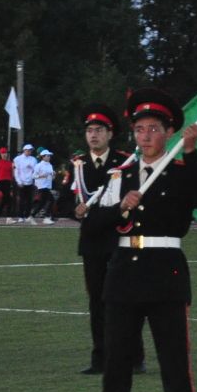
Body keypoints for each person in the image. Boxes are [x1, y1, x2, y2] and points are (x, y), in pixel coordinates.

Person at [70, 88, 197, 392]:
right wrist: (120, 206)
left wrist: (191, 152)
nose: (145, 136)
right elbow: (92, 223)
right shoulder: (120, 175)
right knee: (116, 368)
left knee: (175, 368)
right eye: (139, 129)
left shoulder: (182, 169)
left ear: (169, 132)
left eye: (154, 129)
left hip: (166, 272)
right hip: (123, 274)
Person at [69, 104, 144, 377]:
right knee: (97, 303)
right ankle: (100, 358)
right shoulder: (77, 164)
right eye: (89, 130)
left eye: (99, 130)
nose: (93, 135)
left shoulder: (124, 163)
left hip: (119, 240)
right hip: (91, 244)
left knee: (124, 300)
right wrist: (74, 211)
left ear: (110, 134)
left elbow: (129, 202)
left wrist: (102, 215)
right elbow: (68, 200)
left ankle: (134, 355)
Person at [12, 146, 38, 223]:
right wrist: (19, 181)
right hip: (21, 182)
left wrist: (32, 167)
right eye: (28, 150)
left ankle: (27, 216)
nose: (29, 152)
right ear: (24, 150)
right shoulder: (18, 159)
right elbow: (16, 171)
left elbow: (36, 170)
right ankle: (20, 216)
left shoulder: (33, 159)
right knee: (21, 200)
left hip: (30, 182)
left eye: (30, 150)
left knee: (29, 200)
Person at [0, 147, 15, 223]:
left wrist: (13, 169)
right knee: (8, 198)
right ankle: (8, 218)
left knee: (6, 199)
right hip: (1, 182)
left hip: (8, 182)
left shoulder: (10, 163)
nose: (4, 154)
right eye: (3, 153)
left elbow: (13, 174)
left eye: (5, 153)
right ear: (0, 154)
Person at [34, 146, 56, 222]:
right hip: (42, 186)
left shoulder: (50, 165)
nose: (49, 157)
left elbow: (52, 178)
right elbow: (33, 176)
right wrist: (41, 176)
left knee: (42, 203)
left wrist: (53, 175)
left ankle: (32, 215)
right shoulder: (38, 165)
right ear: (43, 157)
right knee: (51, 200)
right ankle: (47, 217)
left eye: (49, 155)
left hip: (48, 186)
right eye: (47, 155)